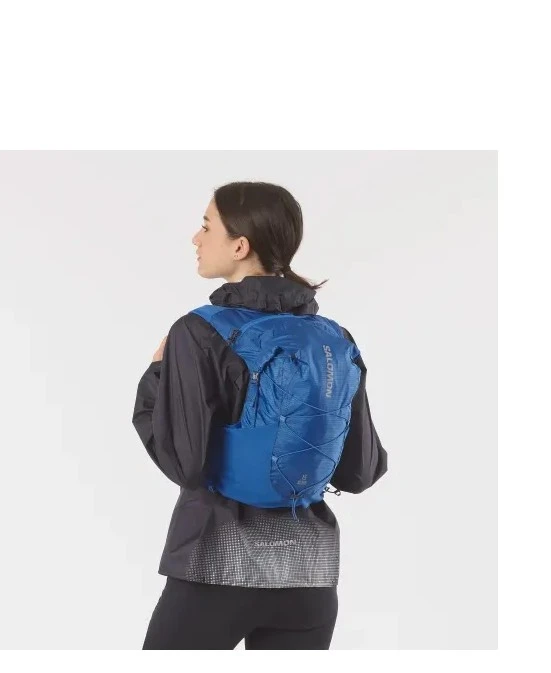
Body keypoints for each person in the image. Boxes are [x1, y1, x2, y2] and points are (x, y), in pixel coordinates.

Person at [132, 181, 387, 649]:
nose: (195, 238)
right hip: (309, 581)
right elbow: (360, 471)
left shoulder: (197, 332)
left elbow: (184, 464)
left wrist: (155, 378)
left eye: (207, 226)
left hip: (215, 570)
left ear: (240, 245)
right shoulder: (335, 339)